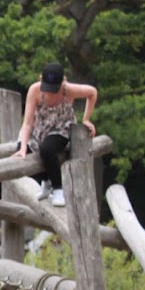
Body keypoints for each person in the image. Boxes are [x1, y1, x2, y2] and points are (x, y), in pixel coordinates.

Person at [13, 61, 98, 208]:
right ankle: (46, 180)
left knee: (47, 149)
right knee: (22, 156)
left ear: (62, 82)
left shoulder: (69, 89)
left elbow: (92, 92)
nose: (50, 92)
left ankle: (58, 189)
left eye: (54, 89)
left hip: (60, 128)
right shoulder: (35, 90)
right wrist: (23, 147)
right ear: (41, 80)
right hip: (38, 128)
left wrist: (86, 119)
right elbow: (27, 123)